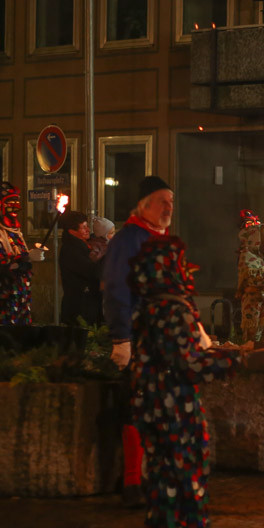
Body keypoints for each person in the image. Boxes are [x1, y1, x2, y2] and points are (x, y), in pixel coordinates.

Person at [129, 235, 246, 528]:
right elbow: (188, 362)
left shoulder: (149, 307)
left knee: (161, 460)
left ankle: (163, 519)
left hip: (150, 396)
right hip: (173, 397)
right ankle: (180, 521)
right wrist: (228, 362)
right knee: (182, 456)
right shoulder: (174, 310)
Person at [102, 175, 175, 507]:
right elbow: (118, 289)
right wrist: (121, 338)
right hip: (140, 337)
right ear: (144, 205)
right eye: (162, 201)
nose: (169, 208)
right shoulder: (128, 240)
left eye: (171, 202)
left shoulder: (163, 239)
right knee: (137, 409)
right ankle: (133, 481)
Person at [0, 181, 32, 326]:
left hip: (21, 292)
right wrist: (19, 261)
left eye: (17, 201)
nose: (16, 206)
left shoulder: (15, 232)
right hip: (3, 292)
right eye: (11, 202)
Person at [236, 210, 264, 344]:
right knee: (253, 341)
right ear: (257, 239)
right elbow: (255, 278)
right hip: (255, 305)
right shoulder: (248, 255)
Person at [59, 210, 103, 327]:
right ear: (72, 231)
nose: (88, 230)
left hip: (89, 304)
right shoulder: (71, 250)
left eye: (87, 226)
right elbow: (92, 270)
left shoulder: (85, 245)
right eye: (83, 227)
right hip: (79, 307)